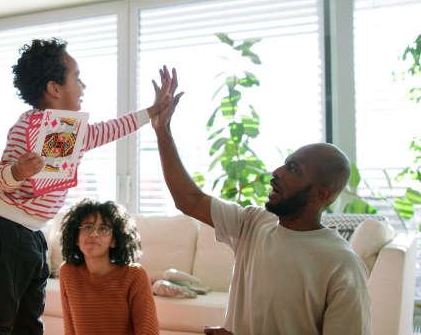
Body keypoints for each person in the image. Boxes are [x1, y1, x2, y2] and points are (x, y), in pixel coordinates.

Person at [0, 37, 175, 334]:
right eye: (77, 79)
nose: (83, 87)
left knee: (30, 315)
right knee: (0, 316)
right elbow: (1, 180)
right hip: (6, 227)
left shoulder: (73, 133)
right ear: (55, 89)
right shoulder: (26, 126)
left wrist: (152, 110)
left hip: (32, 232)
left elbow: (112, 129)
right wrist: (17, 171)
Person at [150, 69, 372, 334]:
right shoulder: (254, 223)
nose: (276, 172)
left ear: (321, 194)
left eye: (292, 168)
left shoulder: (342, 265)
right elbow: (189, 199)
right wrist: (162, 130)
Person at [58, 198, 159, 334]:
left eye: (103, 229)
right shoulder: (68, 272)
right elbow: (70, 332)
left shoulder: (135, 275)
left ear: (113, 241)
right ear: (76, 238)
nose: (94, 234)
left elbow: (148, 332)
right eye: (88, 227)